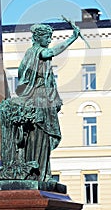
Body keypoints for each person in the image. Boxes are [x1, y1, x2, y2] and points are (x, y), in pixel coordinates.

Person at [15, 22, 80, 181]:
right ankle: (38, 173)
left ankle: (44, 173)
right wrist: (72, 38)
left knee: (43, 137)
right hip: (38, 98)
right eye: (47, 37)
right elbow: (51, 51)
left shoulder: (34, 53)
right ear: (38, 38)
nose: (50, 40)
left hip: (43, 98)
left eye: (50, 37)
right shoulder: (36, 52)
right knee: (40, 136)